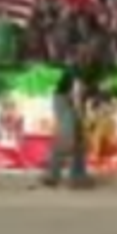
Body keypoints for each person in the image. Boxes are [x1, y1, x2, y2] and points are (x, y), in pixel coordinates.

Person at [41, 44, 97, 189]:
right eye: (85, 54)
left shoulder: (88, 68)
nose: (88, 57)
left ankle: (77, 175)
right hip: (64, 100)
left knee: (78, 139)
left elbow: (85, 92)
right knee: (67, 137)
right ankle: (53, 174)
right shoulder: (74, 68)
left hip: (73, 100)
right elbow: (77, 91)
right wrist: (80, 113)